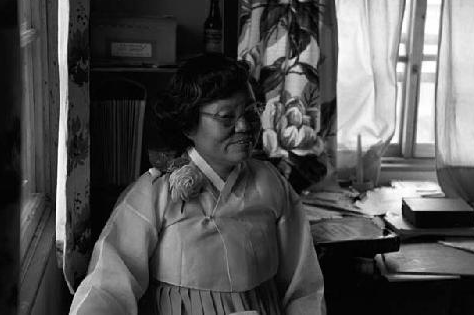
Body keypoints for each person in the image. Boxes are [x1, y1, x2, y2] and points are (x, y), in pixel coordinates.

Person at [69, 55, 325, 315]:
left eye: (251, 111)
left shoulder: (271, 183)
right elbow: (108, 286)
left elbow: (303, 284)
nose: (245, 126)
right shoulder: (154, 192)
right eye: (227, 117)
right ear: (189, 124)